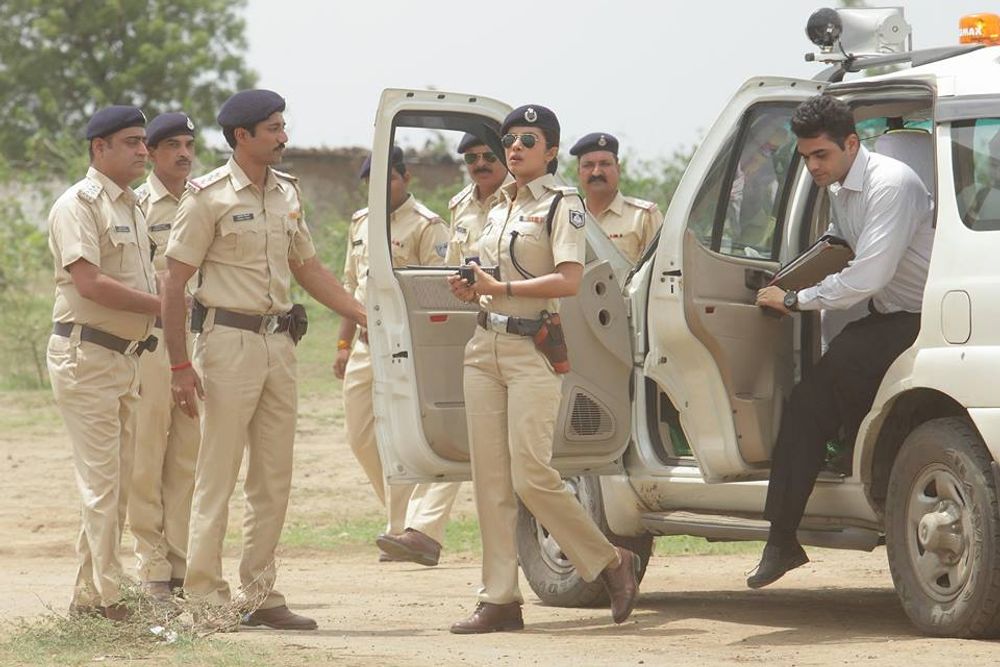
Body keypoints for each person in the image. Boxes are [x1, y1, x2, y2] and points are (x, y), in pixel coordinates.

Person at [162, 89, 366, 630]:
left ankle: (260, 594)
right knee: (218, 471)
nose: (284, 136)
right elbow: (174, 283)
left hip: (280, 344)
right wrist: (180, 366)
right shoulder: (206, 197)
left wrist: (366, 314)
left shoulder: (287, 194)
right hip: (227, 343)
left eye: (282, 125)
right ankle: (204, 594)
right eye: (273, 128)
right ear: (241, 137)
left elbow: (311, 270)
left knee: (273, 476)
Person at [447, 105, 641, 633]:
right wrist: (472, 285)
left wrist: (500, 288)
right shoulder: (494, 205)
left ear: (551, 150)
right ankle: (500, 599)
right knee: (490, 480)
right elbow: (485, 273)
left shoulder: (563, 204)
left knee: (532, 474)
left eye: (526, 141)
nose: (513, 149)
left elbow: (568, 281)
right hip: (483, 345)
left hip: (531, 348)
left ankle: (610, 561)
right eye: (509, 140)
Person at [750, 95, 934, 588]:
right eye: (806, 157)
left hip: (922, 319)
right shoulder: (840, 184)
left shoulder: (889, 185)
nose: (812, 166)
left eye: (821, 156)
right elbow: (839, 244)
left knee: (808, 402)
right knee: (827, 391)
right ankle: (795, 523)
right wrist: (787, 279)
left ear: (852, 143)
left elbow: (867, 275)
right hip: (889, 315)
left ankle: (781, 539)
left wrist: (793, 301)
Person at [47, 105, 159, 620]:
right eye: (133, 142)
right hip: (85, 353)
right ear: (100, 148)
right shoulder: (80, 204)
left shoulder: (131, 205)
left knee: (115, 480)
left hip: (123, 357)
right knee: (103, 483)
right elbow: (89, 282)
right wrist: (163, 308)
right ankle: (109, 601)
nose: (144, 150)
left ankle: (90, 597)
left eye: (143, 142)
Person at [333, 146, 459, 566]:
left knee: (406, 439)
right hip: (367, 346)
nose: (379, 188)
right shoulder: (361, 222)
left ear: (405, 178)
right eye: (371, 182)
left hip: (407, 350)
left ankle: (408, 530)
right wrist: (342, 344)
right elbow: (351, 287)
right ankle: (403, 524)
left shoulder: (427, 225)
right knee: (360, 436)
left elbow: (435, 292)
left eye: (387, 179)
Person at [129, 112, 201, 601]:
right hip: (152, 342)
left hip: (204, 339)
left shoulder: (206, 200)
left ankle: (180, 564)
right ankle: (152, 566)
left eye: (189, 144)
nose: (183, 153)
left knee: (189, 457)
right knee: (146, 452)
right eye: (171, 144)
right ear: (151, 152)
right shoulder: (135, 206)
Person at [569, 132, 662, 264]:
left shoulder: (643, 216)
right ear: (578, 172)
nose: (596, 172)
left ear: (618, 169)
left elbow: (661, 270)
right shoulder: (567, 217)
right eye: (588, 165)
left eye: (605, 164)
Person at [446, 132, 511, 265]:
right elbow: (452, 265)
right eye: (471, 157)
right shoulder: (459, 205)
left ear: (505, 157)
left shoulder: (521, 198)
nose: (480, 163)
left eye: (490, 156)